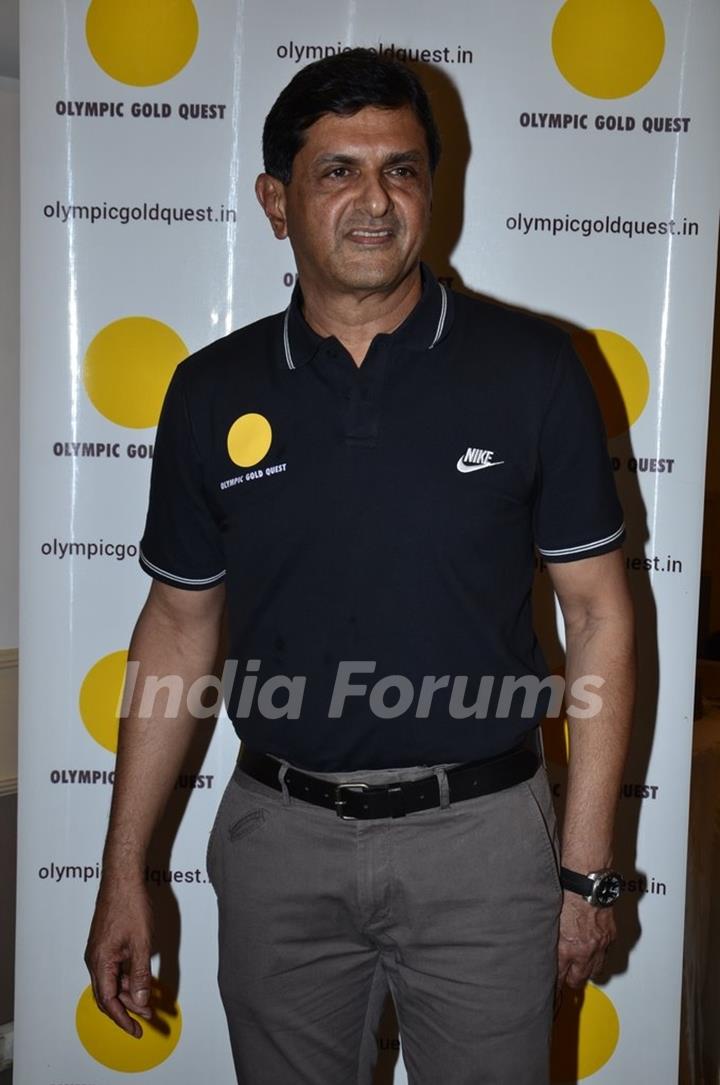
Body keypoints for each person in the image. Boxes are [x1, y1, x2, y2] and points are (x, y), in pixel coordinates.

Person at [85, 49, 635, 1085]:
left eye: (403, 169)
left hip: (481, 845)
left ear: (434, 185)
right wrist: (125, 874)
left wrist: (590, 863)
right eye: (338, 170)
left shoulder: (534, 371)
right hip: (277, 845)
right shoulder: (211, 392)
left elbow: (599, 613)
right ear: (276, 200)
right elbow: (176, 628)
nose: (376, 201)